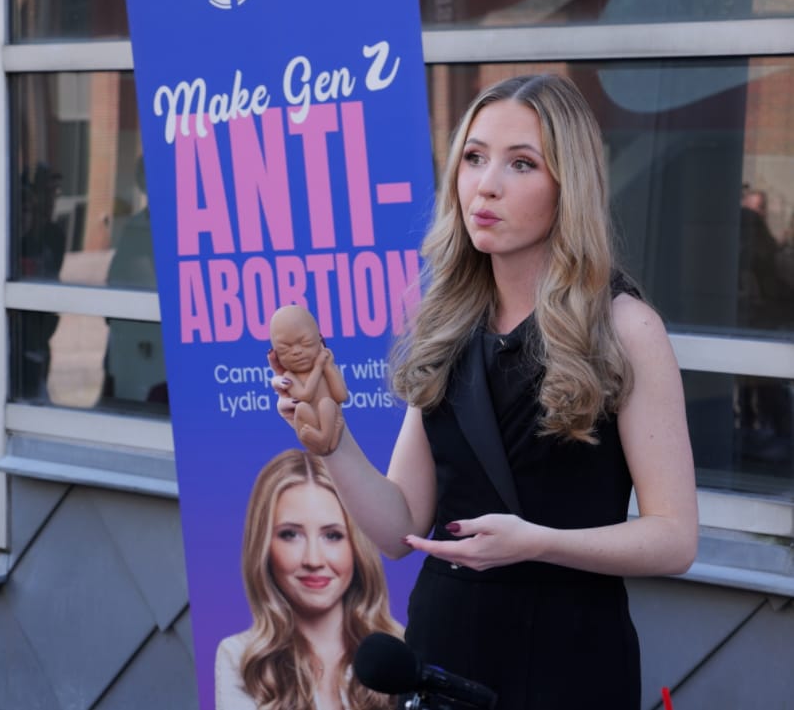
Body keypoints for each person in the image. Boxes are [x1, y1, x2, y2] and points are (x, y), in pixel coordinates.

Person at [272, 73, 698, 709]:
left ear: (568, 185)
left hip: (570, 661)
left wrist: (540, 542)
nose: (485, 184)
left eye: (520, 163)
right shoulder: (442, 322)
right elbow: (398, 528)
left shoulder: (626, 328)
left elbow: (675, 538)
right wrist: (331, 443)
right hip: (442, 657)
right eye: (473, 158)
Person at [215, 448, 401, 710]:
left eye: (332, 535)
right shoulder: (241, 658)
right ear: (264, 546)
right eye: (291, 535)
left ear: (358, 546)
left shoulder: (399, 650)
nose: (313, 560)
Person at [268, 305, 348, 455]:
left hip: (327, 420)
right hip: (309, 419)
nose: (297, 352)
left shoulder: (326, 368)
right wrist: (318, 367)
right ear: (276, 354)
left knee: (326, 403)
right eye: (285, 349)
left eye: (307, 343)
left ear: (319, 340)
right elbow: (304, 396)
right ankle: (325, 440)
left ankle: (325, 438)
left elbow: (341, 396)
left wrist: (329, 367)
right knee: (302, 407)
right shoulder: (289, 376)